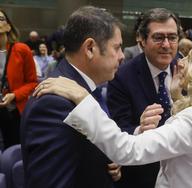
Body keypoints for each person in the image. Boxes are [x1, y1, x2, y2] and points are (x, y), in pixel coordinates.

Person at [34, 35, 192, 188]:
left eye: (191, 58)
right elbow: (191, 139)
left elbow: (127, 150)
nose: (181, 62)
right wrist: (177, 96)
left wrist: (83, 99)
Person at [20, 6, 123, 188]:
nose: (122, 56)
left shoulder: (88, 88)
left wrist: (105, 160)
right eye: (117, 47)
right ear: (90, 48)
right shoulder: (54, 104)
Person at [107, 8, 179, 188]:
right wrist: (140, 129)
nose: (167, 45)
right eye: (158, 37)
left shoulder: (188, 70)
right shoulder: (122, 77)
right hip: (142, 174)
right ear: (142, 40)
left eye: (172, 37)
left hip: (181, 171)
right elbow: (119, 130)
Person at [0, 9, 37, 149]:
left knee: (14, 149)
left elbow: (32, 82)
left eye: (0, 18)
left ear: (8, 26)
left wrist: (14, 95)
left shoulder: (22, 50)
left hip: (14, 111)